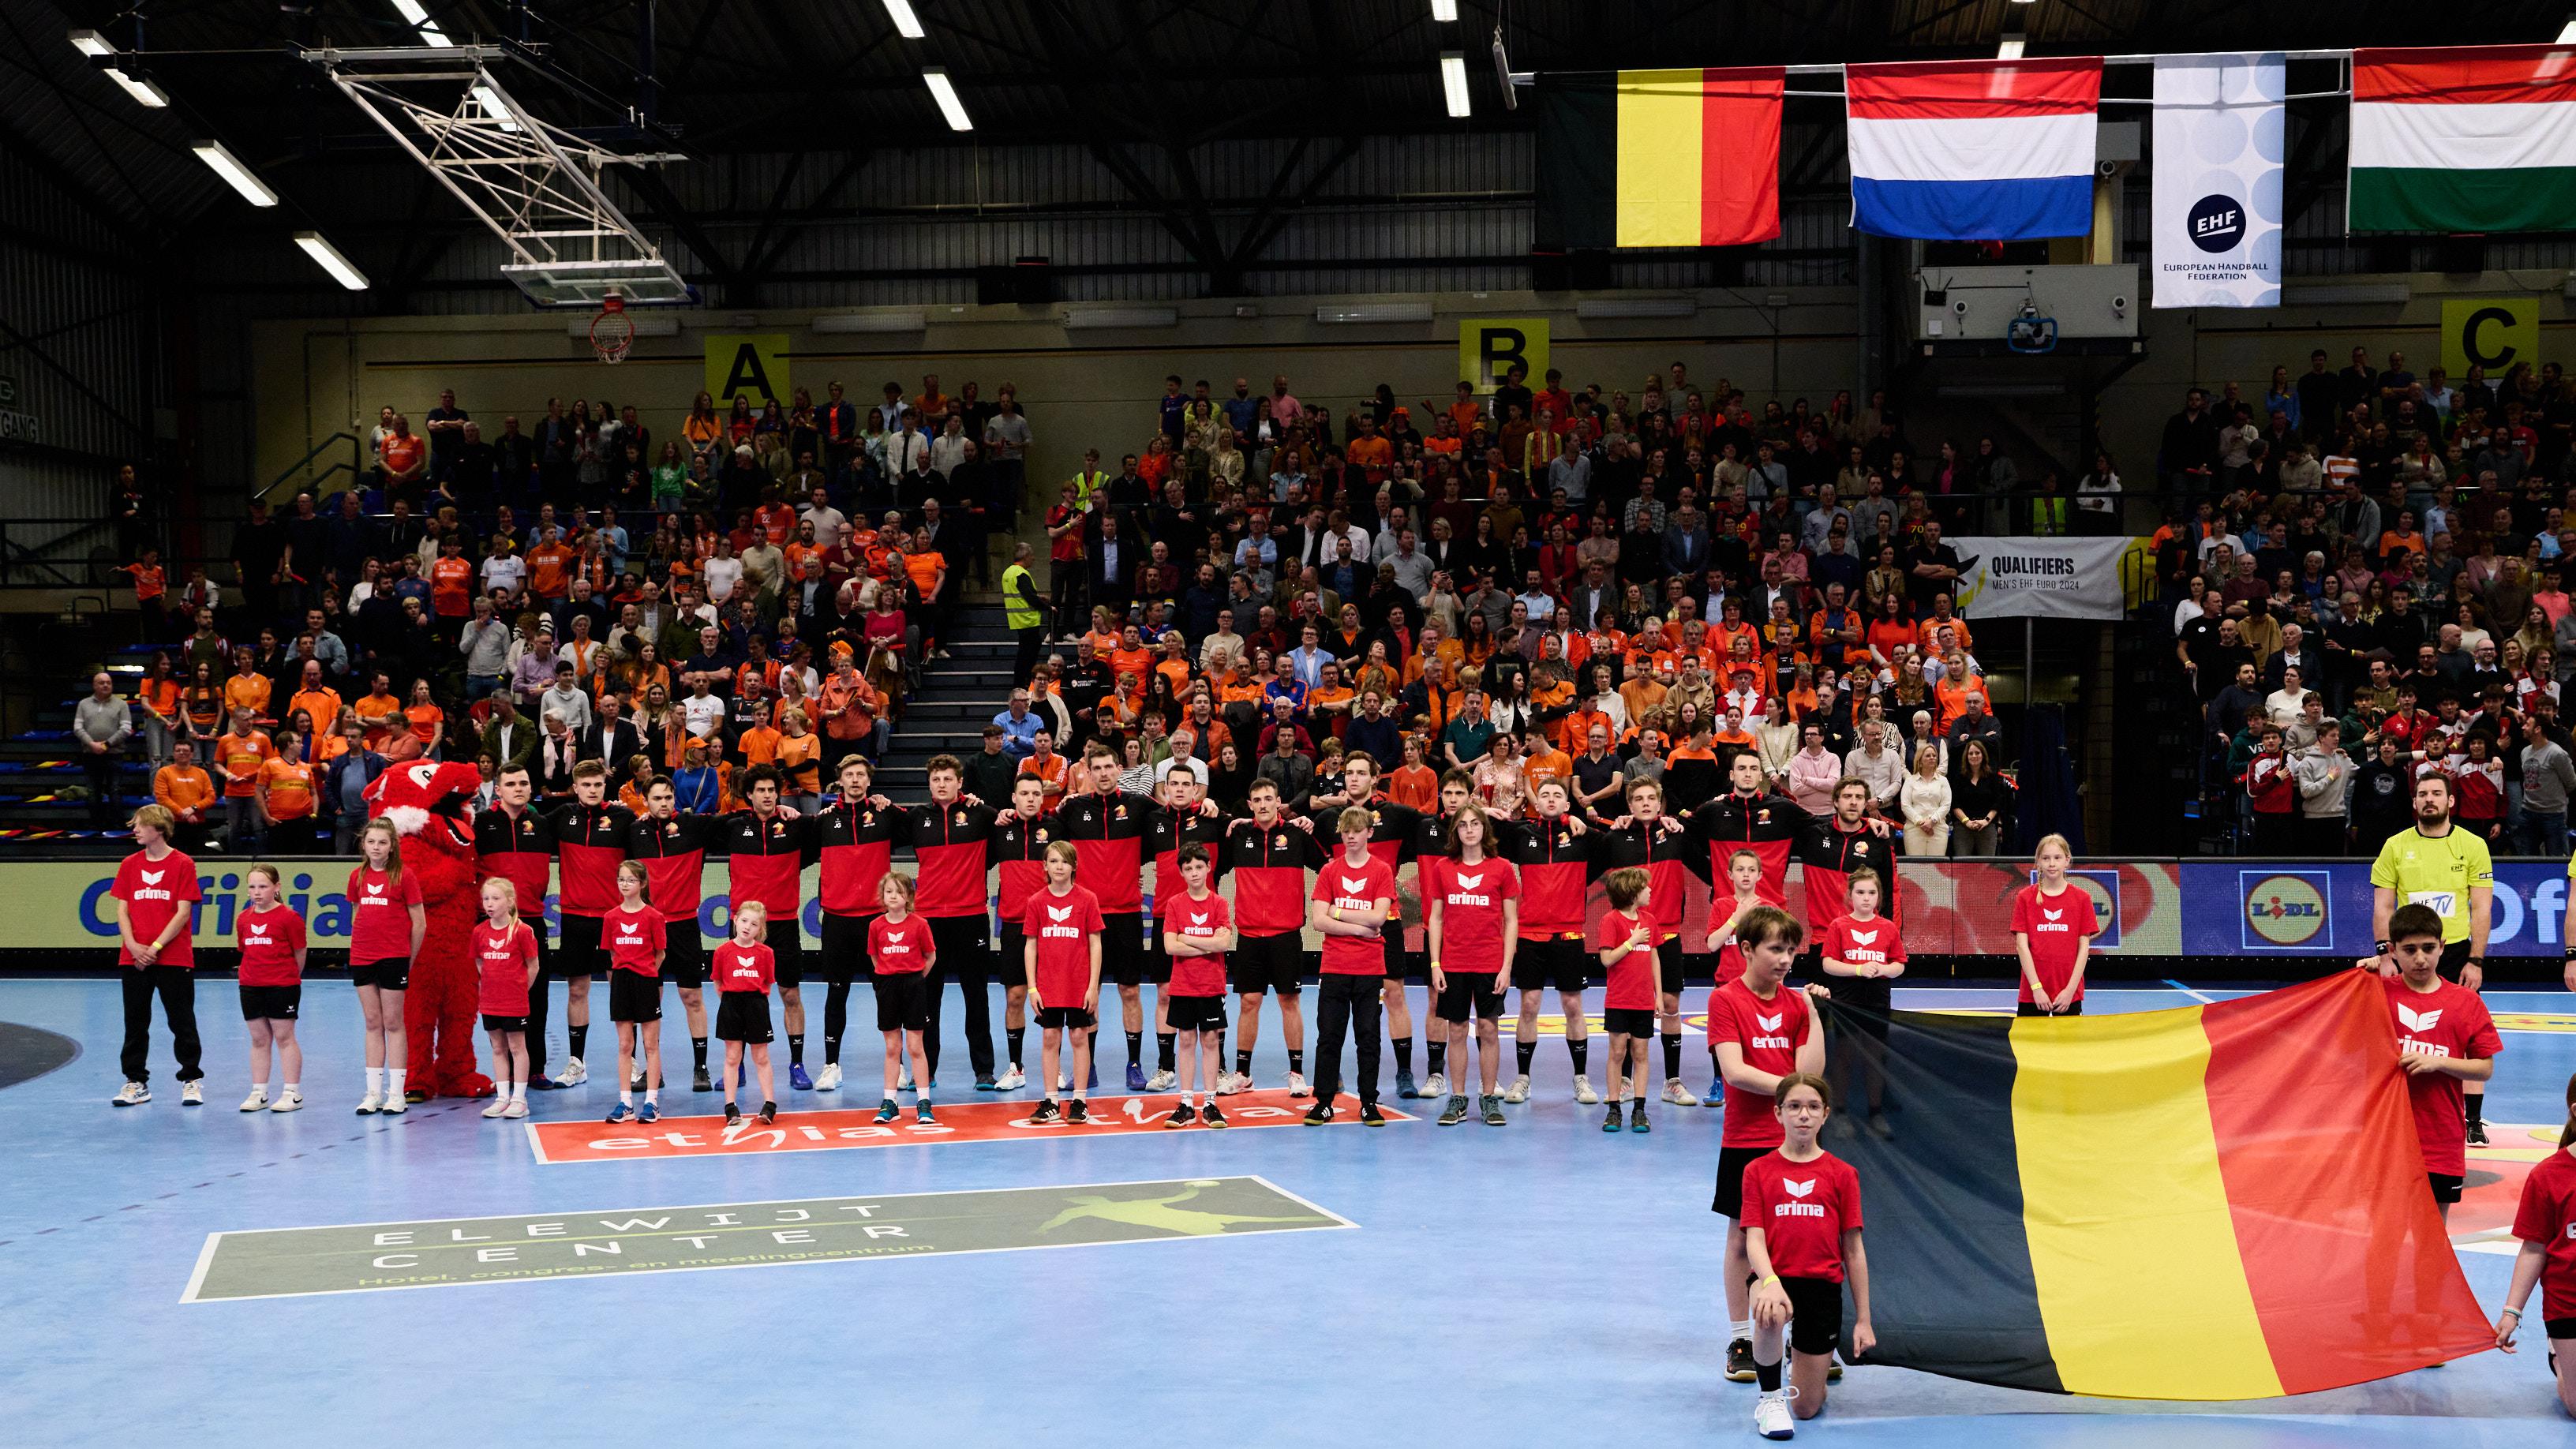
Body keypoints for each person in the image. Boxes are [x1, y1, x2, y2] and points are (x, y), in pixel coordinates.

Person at [1708, 904, 1829, 1386]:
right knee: (1742, 1238)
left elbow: (1813, 1073)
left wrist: (1814, 1013)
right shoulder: (1725, 1000)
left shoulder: (1797, 1004)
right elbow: (1735, 1072)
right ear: (1746, 949)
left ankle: (1803, 1337)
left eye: (1792, 951)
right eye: (1776, 949)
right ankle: (1743, 1337)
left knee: (1798, 1237)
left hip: (1797, 1141)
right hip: (1746, 1139)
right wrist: (1794, 1092)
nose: (1785, 959)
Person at [2361, 772, 2496, 1142]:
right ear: (2415, 802)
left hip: (2453, 953)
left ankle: (2472, 1120)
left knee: (2466, 1038)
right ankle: (2394, 1108)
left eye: (2437, 793)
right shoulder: (2394, 846)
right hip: (2408, 954)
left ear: (2451, 801)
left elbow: (2481, 909)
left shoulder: (2472, 845)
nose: (2429, 799)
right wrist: (2384, 952)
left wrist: (2477, 960)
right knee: (2399, 1034)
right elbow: (2383, 906)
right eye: (2423, 794)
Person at [1743, 1074, 1875, 1437]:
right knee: (1770, 1310)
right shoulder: (1757, 1171)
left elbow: (1853, 1250)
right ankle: (1769, 1399)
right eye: (1795, 1107)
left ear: (1825, 1115)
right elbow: (1754, 1240)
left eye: (1813, 1107)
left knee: (1805, 1409)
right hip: (1775, 1278)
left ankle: (1797, 1357)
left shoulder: (1843, 1175)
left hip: (1821, 1286)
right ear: (1778, 1114)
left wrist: (1863, 1320)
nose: (1804, 1115)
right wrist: (1768, 1281)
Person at [2368, 903, 2501, 1224]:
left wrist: (2438, 1062)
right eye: (2409, 950)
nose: (2420, 958)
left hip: (2441, 1140)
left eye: (2428, 948)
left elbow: (2484, 1068)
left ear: (2442, 947)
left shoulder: (2466, 1002)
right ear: (2392, 951)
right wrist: (2361, 977)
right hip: (2386, 1141)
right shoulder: (2375, 993)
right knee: (2384, 1238)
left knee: (2432, 1242)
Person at [1496, 777, 1597, 1105]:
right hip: (1530, 933)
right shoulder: (1522, 835)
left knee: (1573, 1006)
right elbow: (1483, 828)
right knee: (1528, 1006)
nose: (1551, 799)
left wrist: (1577, 821)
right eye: (1545, 796)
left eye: (1558, 795)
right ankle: (1523, 1078)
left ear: (1567, 805)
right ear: (1535, 804)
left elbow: (1620, 837)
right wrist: (1485, 808)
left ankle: (1581, 1079)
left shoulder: (1583, 836)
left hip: (1569, 934)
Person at [1219, 777, 1320, 1095]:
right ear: (1250, 805)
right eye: (1257, 800)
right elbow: (1212, 868)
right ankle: (1243, 1074)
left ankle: (1297, 1073)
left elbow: (1328, 867)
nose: (1263, 805)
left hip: (1286, 935)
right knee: (1249, 1002)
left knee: (1289, 1001)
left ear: (1279, 802)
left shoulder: (1297, 835)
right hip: (1248, 935)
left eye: (1268, 799)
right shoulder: (1238, 835)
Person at [720, 764, 815, 1087]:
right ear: (749, 794)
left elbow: (828, 824)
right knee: (736, 998)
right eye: (761, 790)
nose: (768, 796)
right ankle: (738, 1065)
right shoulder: (732, 827)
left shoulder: (796, 827)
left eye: (772, 790)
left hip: (784, 923)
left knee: (790, 993)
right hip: (743, 927)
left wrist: (794, 815)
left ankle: (797, 1065)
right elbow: (680, 823)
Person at [1425, 803, 1518, 1127]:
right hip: (1453, 962)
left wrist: (1506, 967)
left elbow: (1511, 921)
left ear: (1484, 829)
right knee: (1456, 1030)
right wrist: (1436, 964)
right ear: (1456, 832)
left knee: (1489, 1029)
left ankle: (1490, 1098)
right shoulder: (1442, 868)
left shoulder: (1502, 868)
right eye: (1463, 824)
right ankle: (1459, 1098)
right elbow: (1435, 918)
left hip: (1489, 963)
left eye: (1475, 823)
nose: (1469, 829)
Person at [2492, 1070, 2576, 1417]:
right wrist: (2512, 1312)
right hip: (2569, 1304)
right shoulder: (2548, 1176)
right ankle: (2558, 1357)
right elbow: (2533, 1249)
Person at [1306, 805, 1396, 1125]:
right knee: (1329, 1036)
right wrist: (1358, 928)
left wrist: (1338, 913)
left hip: (1370, 969)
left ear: (1369, 832)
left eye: (1357, 831)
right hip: (1334, 966)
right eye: (1346, 832)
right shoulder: (1330, 871)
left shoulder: (1382, 871)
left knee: (1368, 1036)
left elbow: (1379, 916)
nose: (1351, 837)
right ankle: (1324, 1102)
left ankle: (1369, 1102)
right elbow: (1319, 921)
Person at [110, 805, 204, 1106]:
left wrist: (155, 948)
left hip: (173, 958)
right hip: (133, 958)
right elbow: (122, 909)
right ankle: (135, 1082)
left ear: (158, 829)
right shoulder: (129, 864)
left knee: (181, 1021)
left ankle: (191, 1079)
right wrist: (134, 945)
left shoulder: (182, 863)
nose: (135, 830)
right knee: (135, 1022)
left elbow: (183, 912)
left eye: (140, 825)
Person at [628, 777, 717, 1091]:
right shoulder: (634, 831)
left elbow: (738, 819)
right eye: (657, 798)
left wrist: (787, 811)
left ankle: (701, 1068)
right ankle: (653, 1072)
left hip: (684, 927)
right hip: (647, 928)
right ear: (645, 801)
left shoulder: (694, 826)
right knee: (650, 1000)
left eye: (668, 797)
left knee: (692, 996)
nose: (664, 803)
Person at [346, 817, 424, 1115]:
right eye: (371, 842)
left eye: (382, 842)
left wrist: (408, 958)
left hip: (394, 956)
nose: (376, 847)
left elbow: (419, 923)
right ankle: (372, 1093)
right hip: (363, 957)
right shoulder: (356, 876)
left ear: (392, 847)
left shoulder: (404, 876)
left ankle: (396, 1094)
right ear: (363, 845)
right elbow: (357, 915)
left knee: (393, 1023)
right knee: (372, 1023)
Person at [1817, 868, 1902, 1134]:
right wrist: (1857, 970)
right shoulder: (1838, 926)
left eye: (1872, 893)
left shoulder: (1888, 927)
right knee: (1844, 1056)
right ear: (1850, 895)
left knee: (1875, 1057)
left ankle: (1875, 1113)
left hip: (1877, 1002)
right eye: (1860, 892)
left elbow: (1899, 963)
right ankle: (1839, 1111)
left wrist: (1884, 969)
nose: (1866, 898)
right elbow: (1828, 964)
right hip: (1846, 1001)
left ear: (1879, 896)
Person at [1025, 842, 1106, 1124]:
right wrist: (1032, 987)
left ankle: (1080, 1101)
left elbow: (1095, 944)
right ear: (1045, 866)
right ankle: (1050, 1100)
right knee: (1050, 1037)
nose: (1059, 866)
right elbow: (1031, 946)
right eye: (1054, 861)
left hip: (1078, 984)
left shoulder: (1087, 899)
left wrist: (1093, 986)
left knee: (1079, 1037)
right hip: (1048, 985)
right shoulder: (1036, 902)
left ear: (1074, 867)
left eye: (1065, 862)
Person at [1158, 843, 1234, 1128]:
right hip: (1183, 986)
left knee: (1211, 1041)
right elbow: (1169, 947)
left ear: (1208, 868)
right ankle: (1187, 1104)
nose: (1194, 872)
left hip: (1212, 986)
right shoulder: (1176, 904)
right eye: (1188, 868)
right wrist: (1208, 944)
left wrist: (1186, 939)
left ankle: (1211, 1104)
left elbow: (1224, 943)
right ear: (1182, 872)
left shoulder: (1219, 904)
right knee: (1187, 1040)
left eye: (1199, 867)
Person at [232, 863, 308, 1114]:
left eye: (263, 886)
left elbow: (299, 952)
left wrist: (287, 978)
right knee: (258, 1039)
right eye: (252, 887)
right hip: (250, 986)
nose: (257, 892)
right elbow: (246, 950)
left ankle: (292, 1093)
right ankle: (259, 1092)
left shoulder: (289, 918)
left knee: (285, 1038)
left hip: (282, 985)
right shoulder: (243, 919)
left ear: (276, 888)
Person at [1592, 865, 1658, 1133]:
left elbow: (1654, 956)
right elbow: (1607, 959)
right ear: (1632, 893)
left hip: (1644, 1000)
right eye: (1645, 887)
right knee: (1617, 1052)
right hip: (1619, 1000)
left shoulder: (1650, 921)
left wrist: (1658, 995)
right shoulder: (1611, 921)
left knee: (1641, 1053)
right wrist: (1631, 941)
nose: (1650, 890)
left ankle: (1640, 1110)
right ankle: (1614, 1109)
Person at [868, 872, 938, 1124]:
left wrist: (916, 979)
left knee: (915, 1046)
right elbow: (875, 957)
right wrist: (888, 977)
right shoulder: (876, 926)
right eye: (889, 892)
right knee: (892, 1047)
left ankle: (923, 1102)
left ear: (908, 896)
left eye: (899, 892)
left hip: (914, 986)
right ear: (883, 896)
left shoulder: (919, 924)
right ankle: (890, 1101)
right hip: (887, 986)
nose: (893, 896)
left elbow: (930, 957)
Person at [601, 859, 666, 1124]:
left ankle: (651, 1103)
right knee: (625, 1044)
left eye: (630, 880)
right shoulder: (610, 917)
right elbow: (612, 952)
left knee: (651, 1044)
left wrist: (646, 971)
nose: (625, 884)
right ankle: (626, 1103)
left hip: (646, 981)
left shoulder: (654, 917)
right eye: (621, 879)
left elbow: (660, 953)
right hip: (622, 982)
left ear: (642, 883)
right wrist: (622, 975)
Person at [472, 876, 540, 1121]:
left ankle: (519, 1099)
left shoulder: (522, 931)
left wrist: (519, 989)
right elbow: (480, 961)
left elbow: (533, 965)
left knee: (516, 1047)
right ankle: (502, 1097)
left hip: (515, 1002)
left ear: (510, 902)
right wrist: (492, 985)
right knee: (497, 1048)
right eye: (486, 899)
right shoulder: (479, 932)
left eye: (495, 898)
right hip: (490, 1001)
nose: (489, 904)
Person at [2012, 833, 2099, 1016]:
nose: (2052, 863)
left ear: (2067, 861)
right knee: (2030, 1045)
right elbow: (2022, 946)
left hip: (2068, 995)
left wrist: (2070, 991)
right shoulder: (2025, 898)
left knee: (2069, 1045)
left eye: (2057, 858)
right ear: (2038, 862)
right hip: (2032, 994)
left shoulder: (2082, 899)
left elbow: (2084, 949)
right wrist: (2036, 988)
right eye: (2046, 858)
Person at [713, 899, 781, 1127]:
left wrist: (754, 1003)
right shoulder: (722, 951)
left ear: (760, 929)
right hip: (731, 1005)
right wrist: (732, 1002)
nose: (747, 927)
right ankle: (731, 1107)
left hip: (756, 1005)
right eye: (744, 921)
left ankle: (769, 1104)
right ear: (735, 920)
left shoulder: (766, 953)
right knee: (732, 1057)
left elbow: (768, 983)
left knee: (761, 1056)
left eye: (753, 924)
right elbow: (718, 982)